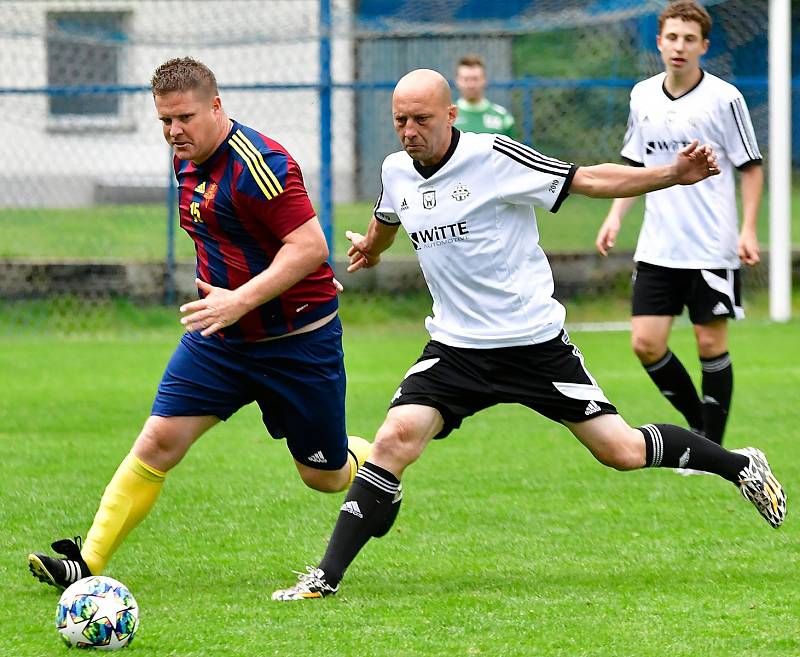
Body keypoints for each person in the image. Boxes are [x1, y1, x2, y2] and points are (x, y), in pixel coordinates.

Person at [270, 68, 785, 601]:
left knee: (621, 451)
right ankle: (324, 579)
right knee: (394, 438)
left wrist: (670, 175)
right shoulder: (397, 169)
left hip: (533, 345)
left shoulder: (494, 156)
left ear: (450, 116)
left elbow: (587, 179)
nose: (409, 131)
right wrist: (372, 250)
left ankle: (740, 464)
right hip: (456, 349)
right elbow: (388, 214)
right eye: (400, 120)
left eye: (422, 119)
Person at [27, 57, 370, 590]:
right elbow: (227, 236)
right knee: (158, 440)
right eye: (164, 120)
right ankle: (87, 561)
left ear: (216, 105)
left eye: (184, 117)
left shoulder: (264, 165)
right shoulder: (185, 159)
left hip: (296, 344)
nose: (173, 132)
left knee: (322, 476)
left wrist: (253, 295)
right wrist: (232, 300)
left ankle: (374, 462)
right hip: (220, 339)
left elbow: (309, 245)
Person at [595, 1, 763, 450]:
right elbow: (634, 165)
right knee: (646, 343)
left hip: (712, 246)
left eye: (689, 39)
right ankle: (700, 428)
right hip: (658, 247)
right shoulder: (642, 95)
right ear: (659, 42)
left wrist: (748, 229)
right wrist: (614, 217)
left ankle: (710, 442)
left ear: (704, 46)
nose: (679, 46)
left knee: (710, 344)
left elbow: (750, 166)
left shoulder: (725, 98)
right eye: (672, 37)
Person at [453, 54, 515, 137]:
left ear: (484, 80)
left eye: (475, 79)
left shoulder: (503, 118)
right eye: (466, 79)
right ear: (457, 81)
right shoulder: (447, 116)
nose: (471, 85)